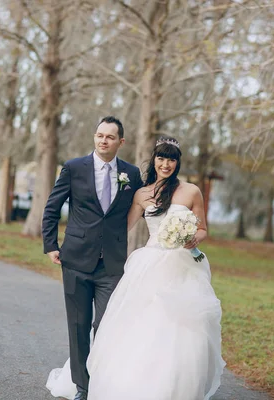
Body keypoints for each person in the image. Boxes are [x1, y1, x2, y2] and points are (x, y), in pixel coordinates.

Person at [48, 136, 226, 400]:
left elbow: (202, 229)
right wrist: (81, 237)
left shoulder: (191, 191)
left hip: (183, 266)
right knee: (141, 322)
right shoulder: (142, 193)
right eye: (161, 158)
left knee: (180, 326)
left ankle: (175, 384)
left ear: (178, 163)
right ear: (154, 160)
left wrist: (192, 239)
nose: (166, 164)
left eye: (171, 159)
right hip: (151, 262)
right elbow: (122, 227)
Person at [42, 116, 143, 400]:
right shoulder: (74, 168)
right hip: (75, 260)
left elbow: (147, 200)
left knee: (106, 325)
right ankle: (83, 388)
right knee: (78, 326)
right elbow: (52, 207)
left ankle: (103, 379)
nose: (103, 140)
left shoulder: (131, 175)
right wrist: (51, 244)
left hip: (111, 264)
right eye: (99, 135)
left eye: (110, 137)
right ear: (94, 137)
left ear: (120, 142)